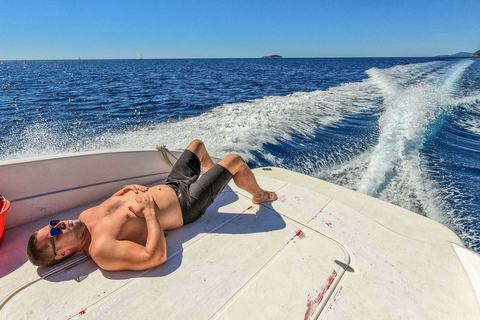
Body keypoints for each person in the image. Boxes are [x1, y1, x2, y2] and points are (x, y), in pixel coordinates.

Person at [27, 140, 277, 271]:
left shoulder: (84, 216)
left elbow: (115, 207)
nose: (58, 225)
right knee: (235, 161)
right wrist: (149, 214)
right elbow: (155, 257)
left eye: (52, 224)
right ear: (61, 253)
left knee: (197, 145)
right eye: (55, 233)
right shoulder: (101, 251)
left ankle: (214, 176)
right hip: (185, 205)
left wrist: (124, 190)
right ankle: (259, 195)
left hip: (173, 184)